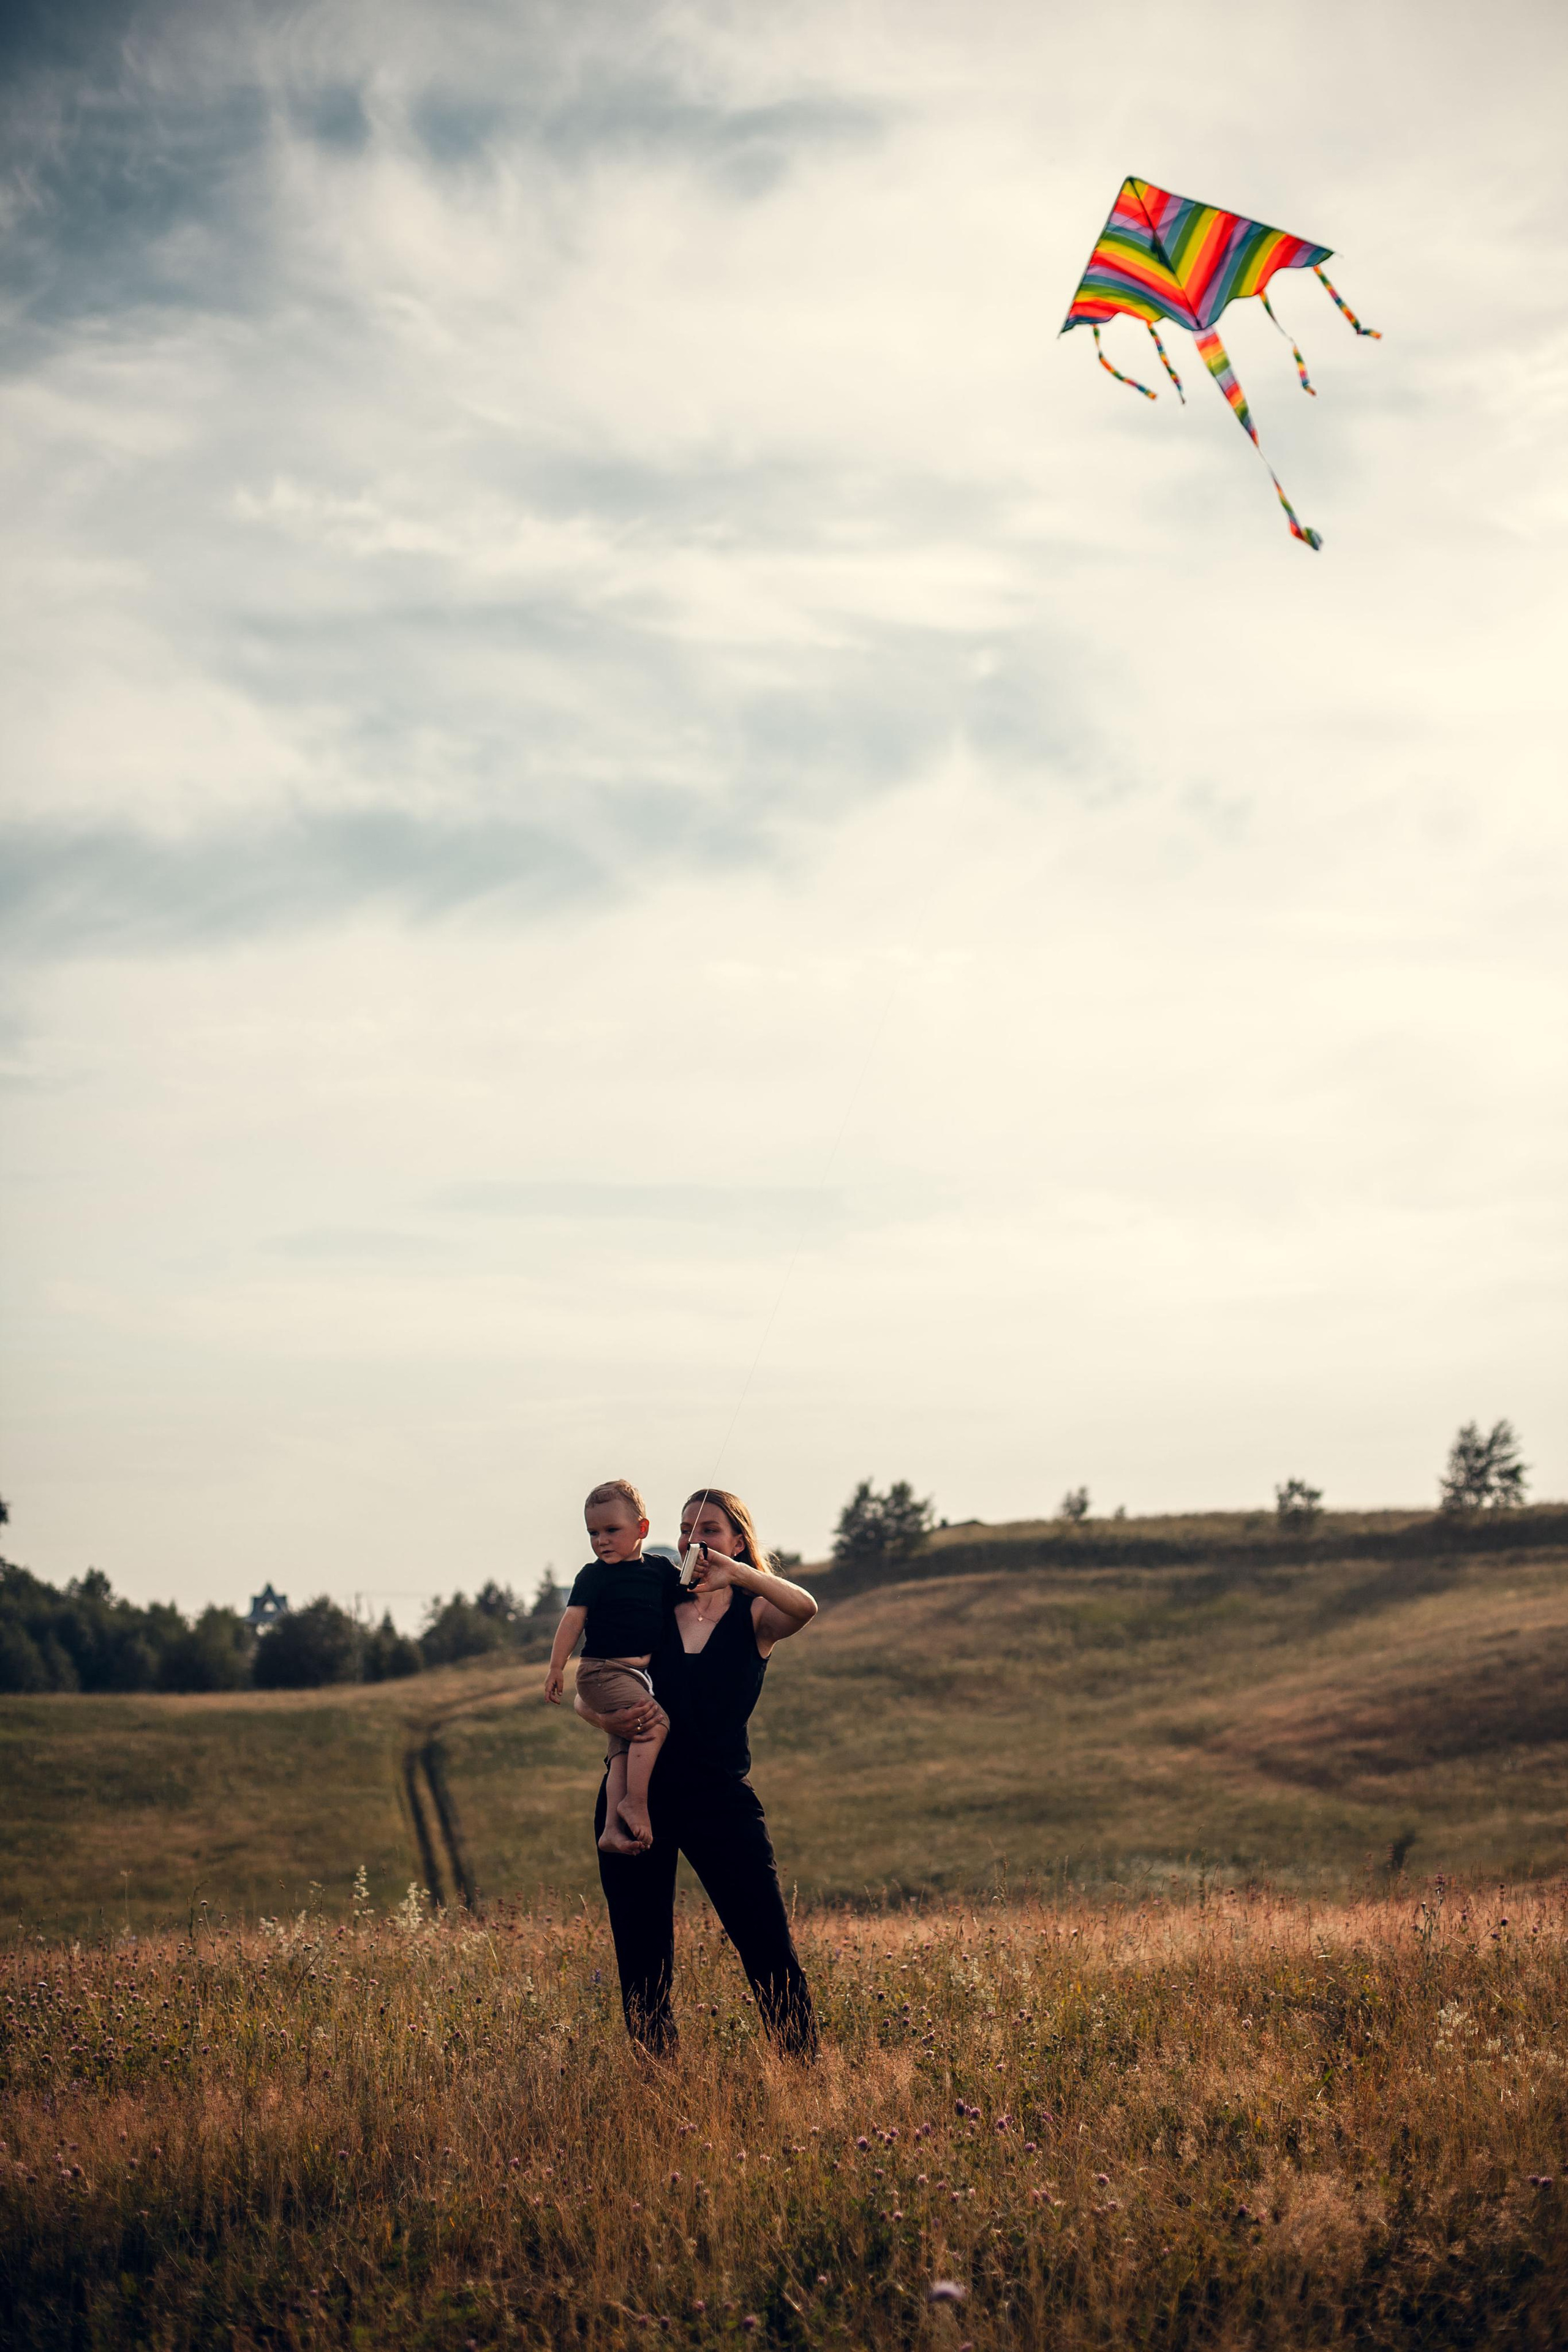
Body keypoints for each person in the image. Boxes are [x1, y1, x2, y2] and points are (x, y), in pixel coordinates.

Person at [576, 1486, 820, 2057]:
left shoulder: (756, 1614)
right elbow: (594, 1678)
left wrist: (739, 1575)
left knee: (766, 1946)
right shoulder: (655, 1602)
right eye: (687, 1529)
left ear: (738, 1540)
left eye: (709, 1529)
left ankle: (806, 2076)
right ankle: (658, 2088)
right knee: (642, 1957)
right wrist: (596, 1715)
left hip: (720, 1798)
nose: (694, 1540)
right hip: (639, 1797)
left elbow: (804, 1607)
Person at [544, 1479, 680, 1853]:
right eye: (593, 1533)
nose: (601, 1540)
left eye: (611, 1530)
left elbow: (688, 1589)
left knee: (624, 1746)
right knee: (654, 1725)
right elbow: (572, 1622)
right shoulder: (594, 1576)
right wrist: (557, 1668)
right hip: (602, 1672)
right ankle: (635, 1802)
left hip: (635, 1675)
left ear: (642, 1529)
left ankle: (611, 1831)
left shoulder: (660, 1571)